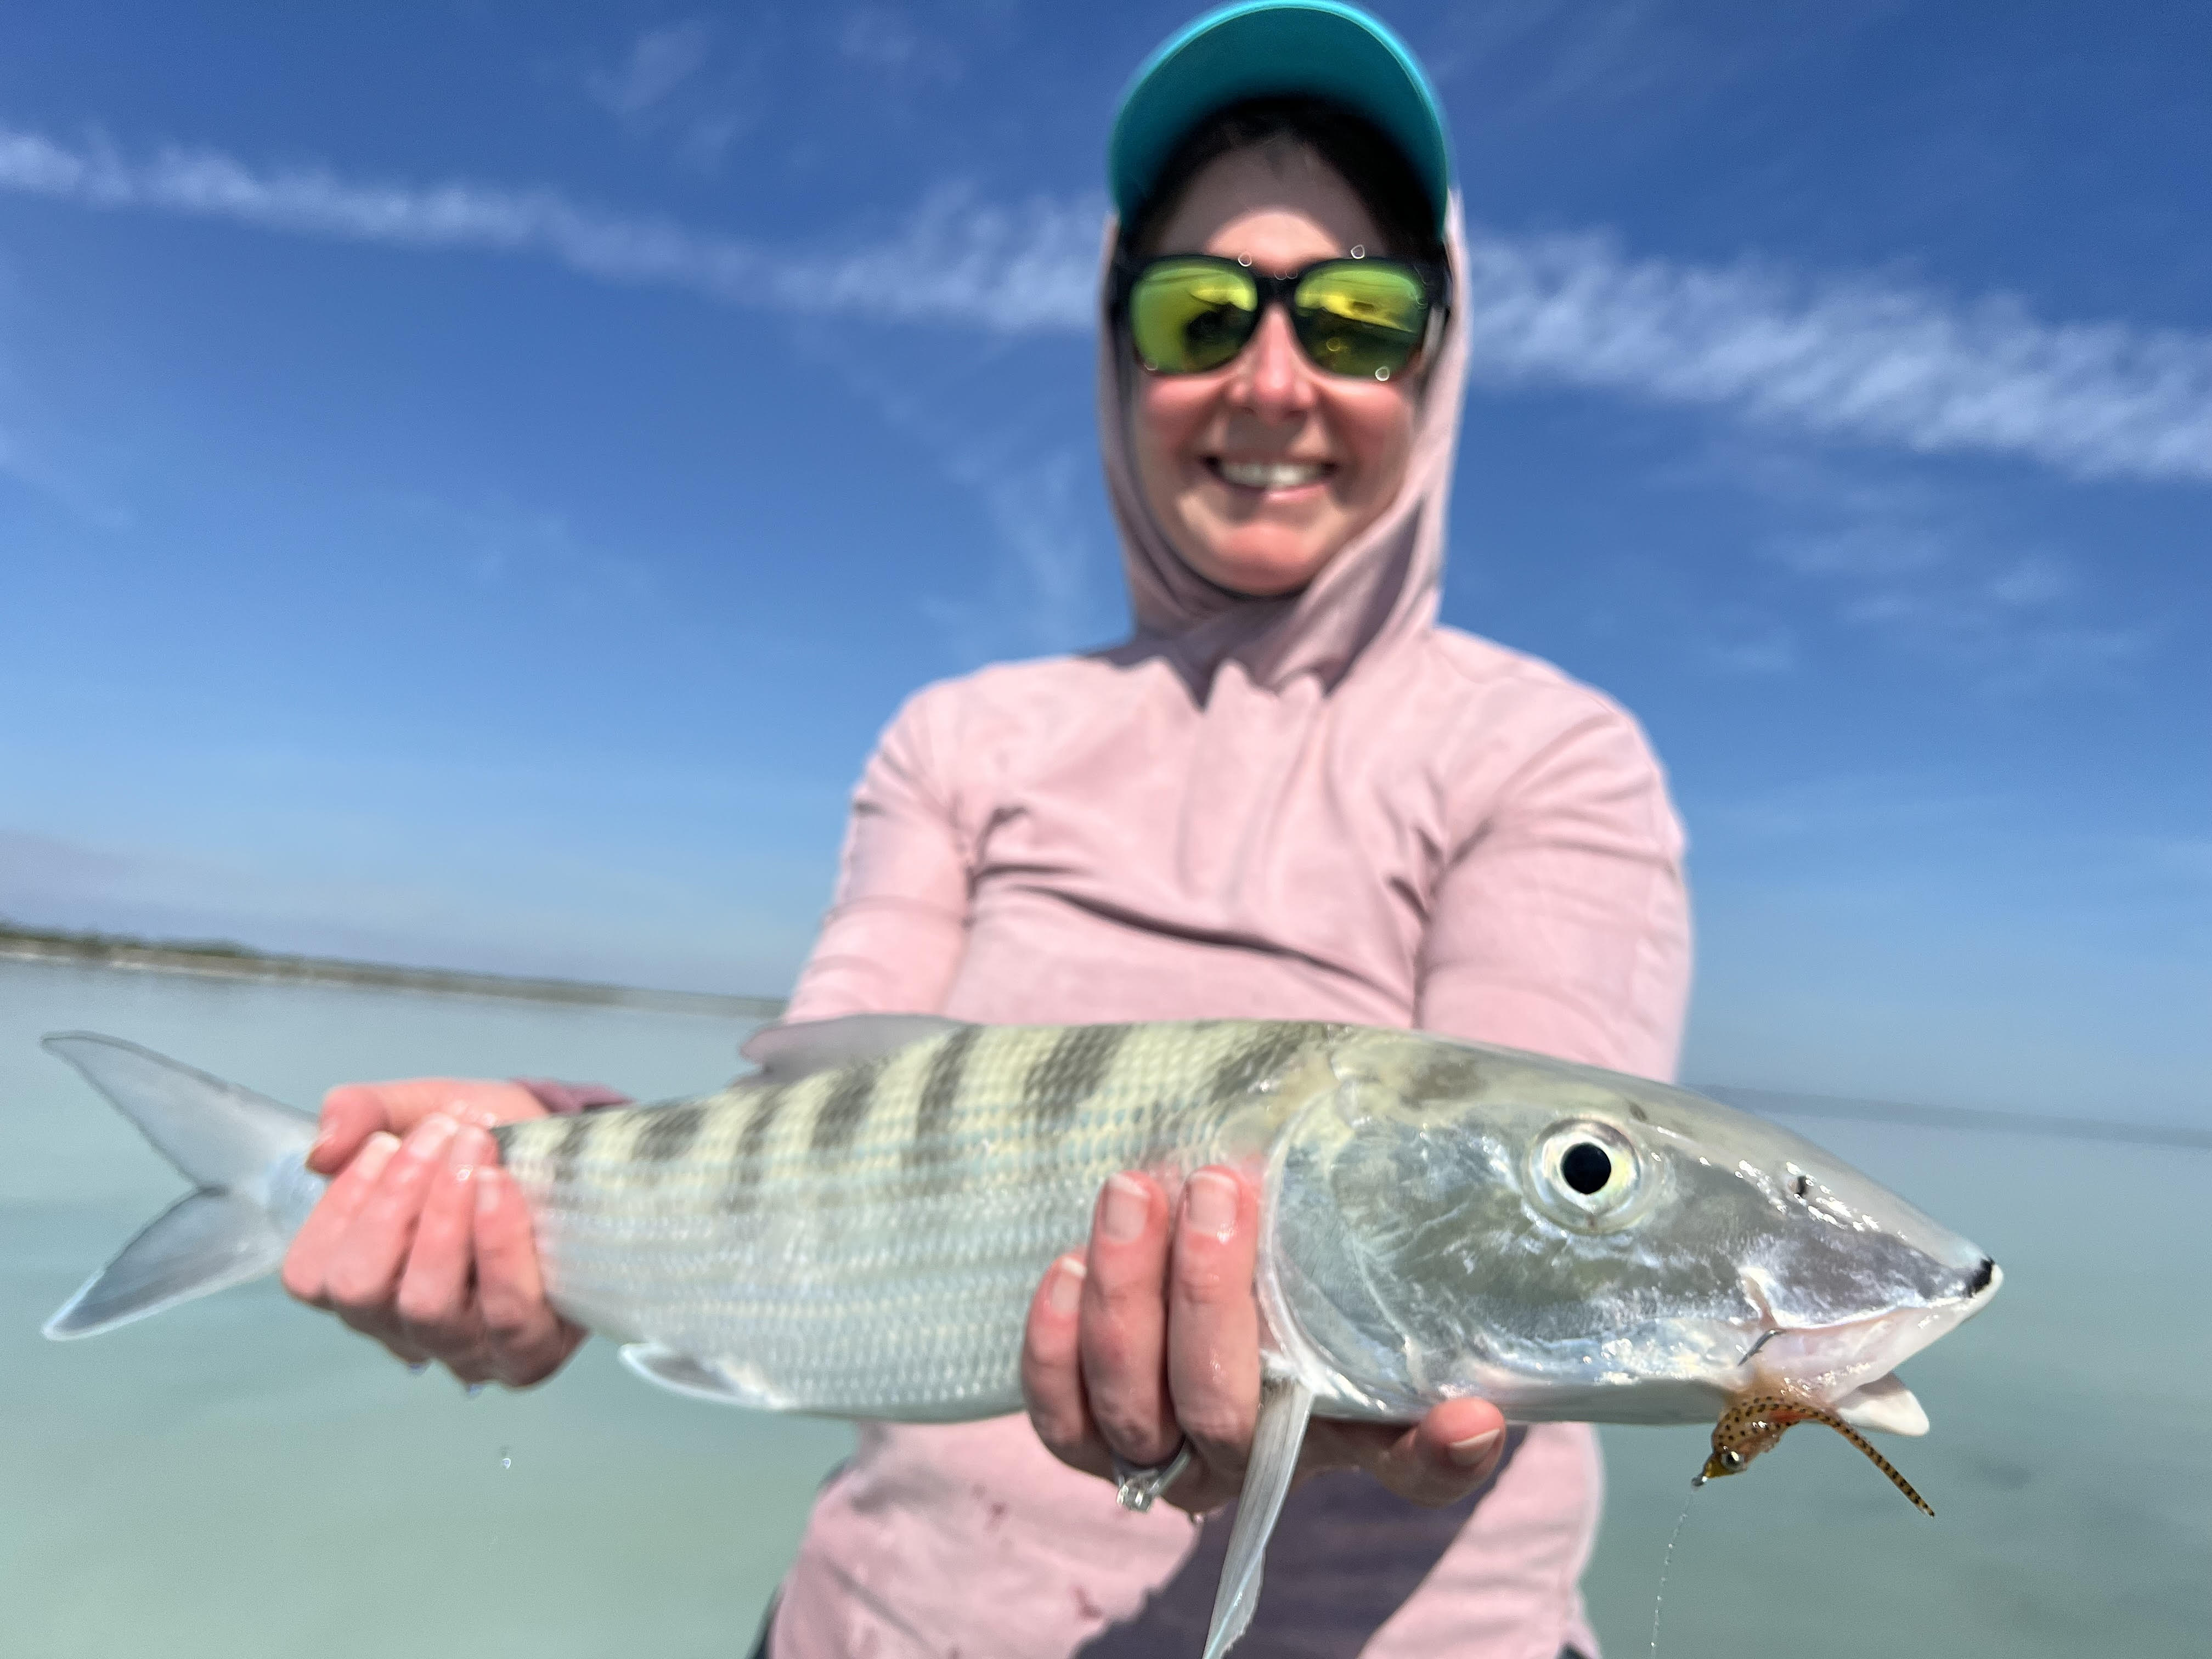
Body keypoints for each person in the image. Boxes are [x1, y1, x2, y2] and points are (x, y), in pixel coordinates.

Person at [279, 5, 1690, 1655]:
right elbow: (820, 1125)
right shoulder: (962, 738)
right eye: (1198, 311)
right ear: (1115, 348)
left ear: (1437, 359)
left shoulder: (1547, 756)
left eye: (1363, 319)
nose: (1274, 378)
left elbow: (1534, 1239)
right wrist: (534, 1180)